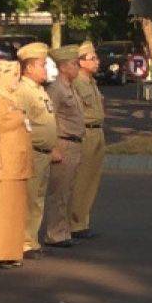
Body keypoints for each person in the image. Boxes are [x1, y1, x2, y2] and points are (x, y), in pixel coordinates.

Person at [14, 41, 59, 259]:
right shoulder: (23, 90)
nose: (46, 69)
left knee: (37, 198)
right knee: (29, 199)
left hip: (43, 152)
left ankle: (31, 239)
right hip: (32, 151)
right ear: (29, 68)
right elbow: (22, 123)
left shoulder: (39, 90)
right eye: (42, 65)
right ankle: (24, 242)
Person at [0, 60, 30, 266]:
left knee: (15, 208)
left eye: (17, 74)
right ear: (0, 75)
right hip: (6, 159)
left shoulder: (12, 98)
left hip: (18, 159)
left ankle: (12, 249)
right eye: (11, 74)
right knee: (4, 208)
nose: (16, 78)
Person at [41, 45, 85, 248]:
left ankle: (63, 229)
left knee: (68, 190)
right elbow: (50, 119)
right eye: (74, 64)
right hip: (63, 143)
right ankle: (55, 233)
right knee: (58, 191)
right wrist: (53, 147)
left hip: (75, 142)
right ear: (63, 66)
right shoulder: (56, 89)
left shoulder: (71, 87)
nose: (78, 67)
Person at [69, 40, 107, 239]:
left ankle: (82, 221)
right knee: (81, 180)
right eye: (92, 58)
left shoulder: (91, 82)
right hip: (84, 132)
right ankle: (74, 223)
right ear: (81, 62)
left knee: (92, 179)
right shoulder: (76, 82)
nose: (97, 61)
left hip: (98, 131)